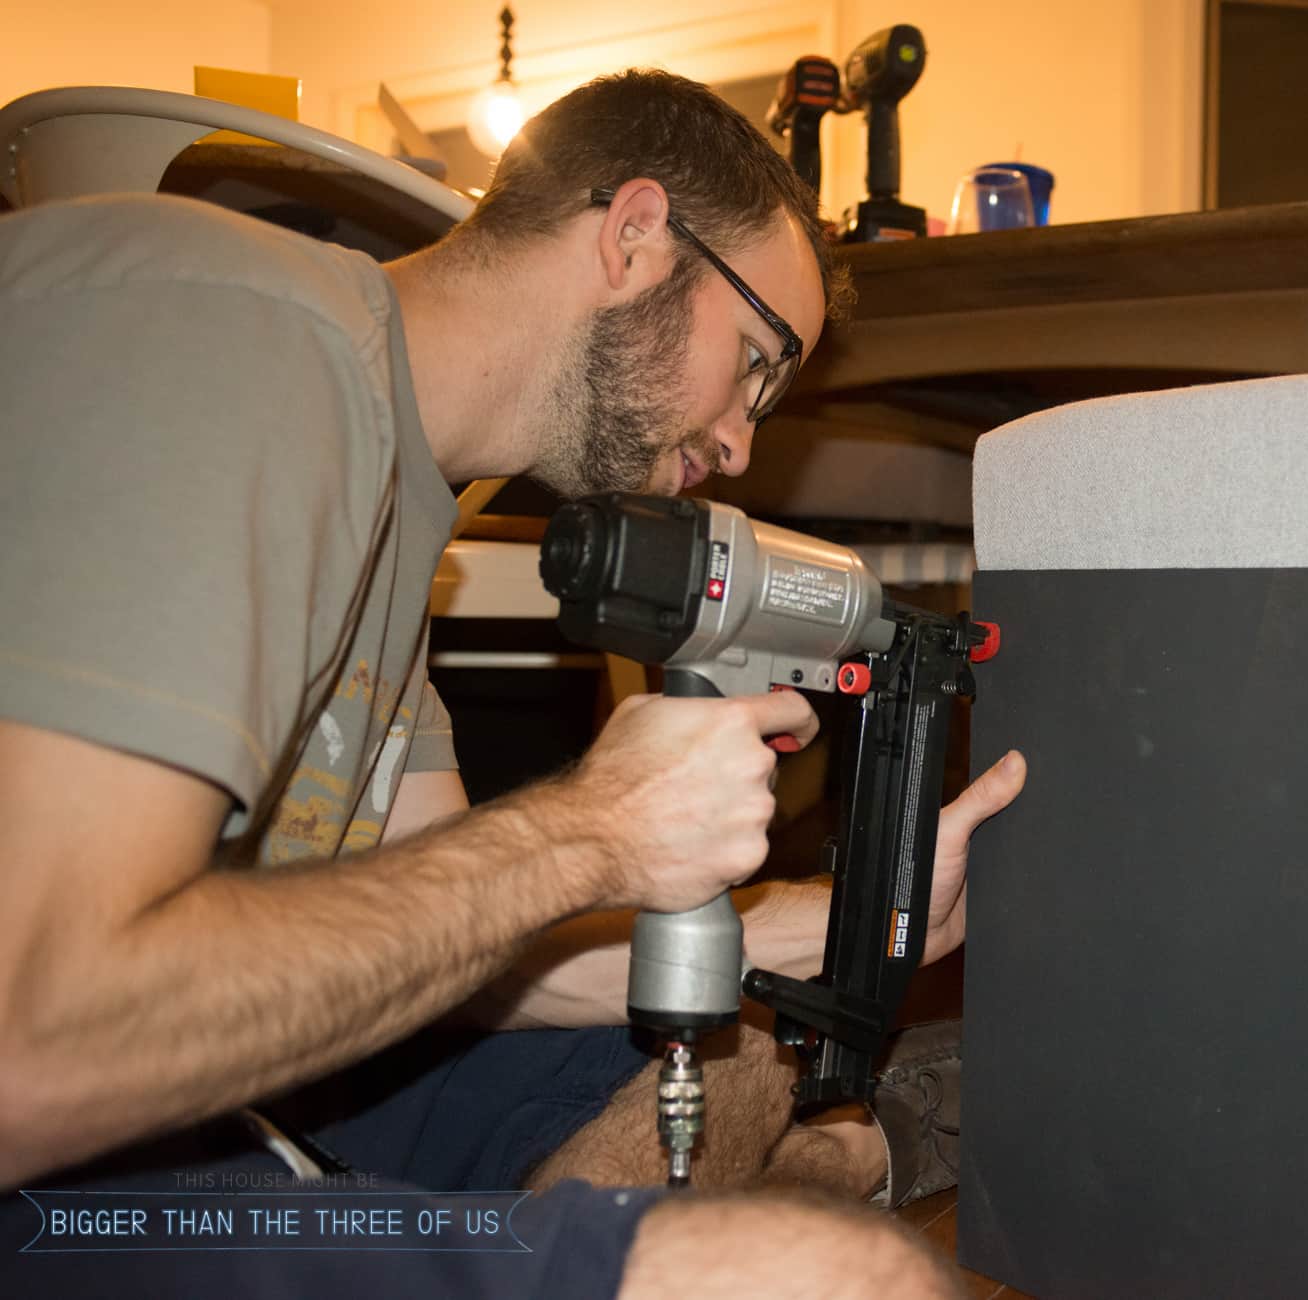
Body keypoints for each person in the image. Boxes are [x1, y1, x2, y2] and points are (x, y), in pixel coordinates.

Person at [0, 68, 1025, 1296]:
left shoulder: (400, 498)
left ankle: (754, 1189)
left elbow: (457, 951)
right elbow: (35, 1042)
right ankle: (787, 1193)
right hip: (60, 1165)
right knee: (836, 1276)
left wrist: (868, 914)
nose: (743, 440)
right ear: (636, 233)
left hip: (226, 1088)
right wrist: (592, 826)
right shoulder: (241, 330)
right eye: (753, 360)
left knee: (751, 1044)